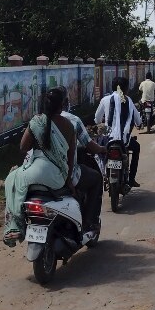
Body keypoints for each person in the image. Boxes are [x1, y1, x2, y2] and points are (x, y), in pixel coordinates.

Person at [3, 87, 75, 247]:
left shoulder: (36, 122)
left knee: (11, 180)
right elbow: (70, 159)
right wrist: (68, 181)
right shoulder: (69, 125)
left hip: (33, 173)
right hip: (57, 178)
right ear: (62, 105)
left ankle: (14, 225)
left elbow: (23, 147)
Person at [57, 87, 106, 244]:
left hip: (42, 173)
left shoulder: (38, 120)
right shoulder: (72, 120)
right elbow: (87, 146)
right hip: (66, 174)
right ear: (65, 102)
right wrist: (102, 149)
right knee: (96, 179)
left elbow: (24, 149)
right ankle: (89, 222)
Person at [94, 77, 142, 187]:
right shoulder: (128, 100)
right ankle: (131, 179)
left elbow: (96, 119)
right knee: (136, 148)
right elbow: (138, 120)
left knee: (98, 151)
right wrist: (138, 124)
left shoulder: (105, 99)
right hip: (124, 140)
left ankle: (103, 174)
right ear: (125, 88)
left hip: (108, 138)